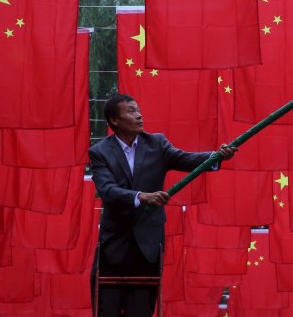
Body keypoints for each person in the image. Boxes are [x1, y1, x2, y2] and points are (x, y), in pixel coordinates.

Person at [88, 93, 238, 317]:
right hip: (114, 245)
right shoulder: (100, 152)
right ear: (114, 120)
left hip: (147, 244)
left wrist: (216, 156)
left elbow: (187, 159)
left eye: (138, 110)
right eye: (131, 111)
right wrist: (141, 196)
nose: (139, 115)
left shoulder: (156, 144)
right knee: (107, 308)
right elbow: (108, 190)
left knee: (141, 310)